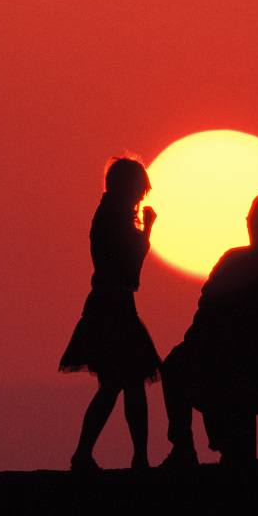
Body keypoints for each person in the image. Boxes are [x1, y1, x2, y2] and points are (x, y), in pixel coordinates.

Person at [160, 191, 258, 467]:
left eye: (252, 219)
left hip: (234, 362)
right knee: (209, 365)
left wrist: (196, 340)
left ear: (256, 223)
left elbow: (207, 308)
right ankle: (223, 443)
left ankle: (185, 447)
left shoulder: (234, 260)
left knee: (177, 366)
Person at [59, 156, 162, 471]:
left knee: (120, 384)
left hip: (110, 306)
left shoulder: (107, 215)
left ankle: (106, 455)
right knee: (124, 384)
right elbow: (132, 269)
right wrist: (147, 232)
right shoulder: (113, 218)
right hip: (113, 308)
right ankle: (131, 457)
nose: (140, 197)